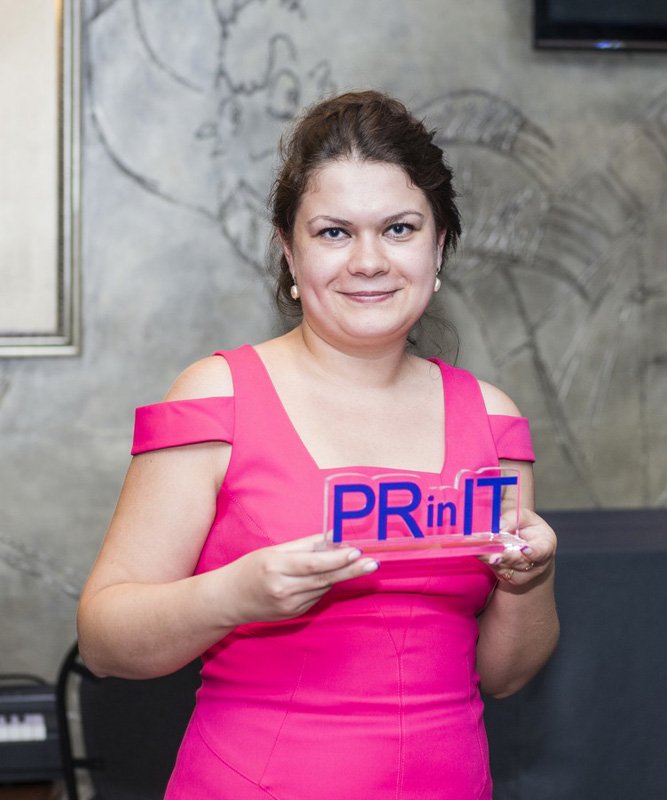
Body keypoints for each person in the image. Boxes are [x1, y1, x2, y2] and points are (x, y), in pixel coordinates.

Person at [77, 90, 558, 799]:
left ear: (438, 247)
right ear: (289, 250)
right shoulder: (217, 395)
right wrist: (234, 595)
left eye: (399, 229)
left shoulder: (491, 418)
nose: (368, 261)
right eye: (334, 232)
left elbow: (506, 676)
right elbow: (103, 643)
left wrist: (529, 578)